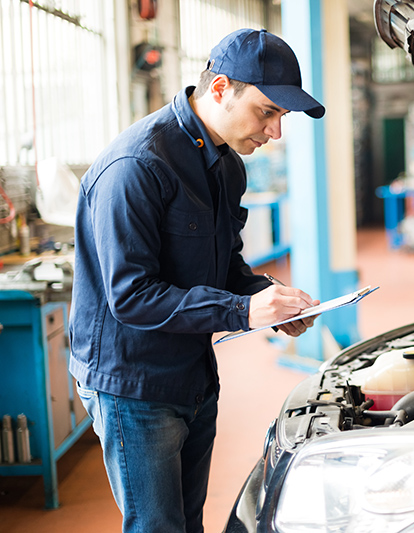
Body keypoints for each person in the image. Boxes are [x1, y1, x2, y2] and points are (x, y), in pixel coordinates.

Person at [68, 29, 325, 533]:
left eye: (282, 118)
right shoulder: (137, 166)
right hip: (133, 382)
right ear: (222, 88)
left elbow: (226, 267)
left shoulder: (226, 166)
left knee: (187, 521)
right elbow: (131, 297)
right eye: (267, 112)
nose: (275, 133)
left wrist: (270, 299)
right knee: (158, 526)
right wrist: (243, 312)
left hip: (192, 371)